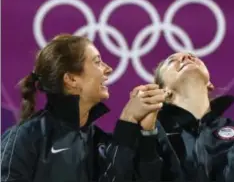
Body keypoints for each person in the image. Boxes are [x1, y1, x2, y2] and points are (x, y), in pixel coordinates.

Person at [1, 34, 165, 182]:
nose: (108, 69)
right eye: (97, 62)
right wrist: (127, 120)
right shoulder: (23, 138)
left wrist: (147, 133)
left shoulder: (100, 142)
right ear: (71, 79)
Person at [143, 52, 234, 182]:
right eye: (172, 61)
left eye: (193, 56)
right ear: (164, 91)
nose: (186, 56)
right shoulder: (153, 133)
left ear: (210, 85)